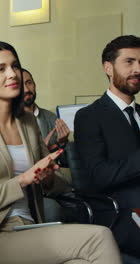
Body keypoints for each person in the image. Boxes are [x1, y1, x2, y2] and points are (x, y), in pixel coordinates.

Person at [0, 41, 122, 263]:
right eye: (0, 69)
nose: (13, 74)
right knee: (99, 237)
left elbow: (61, 184)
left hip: (32, 226)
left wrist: (48, 177)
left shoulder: (28, 122)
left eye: (15, 66)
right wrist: (22, 180)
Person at [74, 35, 140, 257]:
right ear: (108, 68)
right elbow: (99, 175)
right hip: (121, 212)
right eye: (129, 62)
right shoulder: (89, 116)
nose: (138, 69)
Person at [22, 68, 70, 151]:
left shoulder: (51, 118)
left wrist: (61, 143)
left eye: (29, 83)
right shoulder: (8, 121)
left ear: (35, 85)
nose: (26, 89)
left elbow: (65, 161)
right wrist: (41, 151)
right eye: (20, 85)